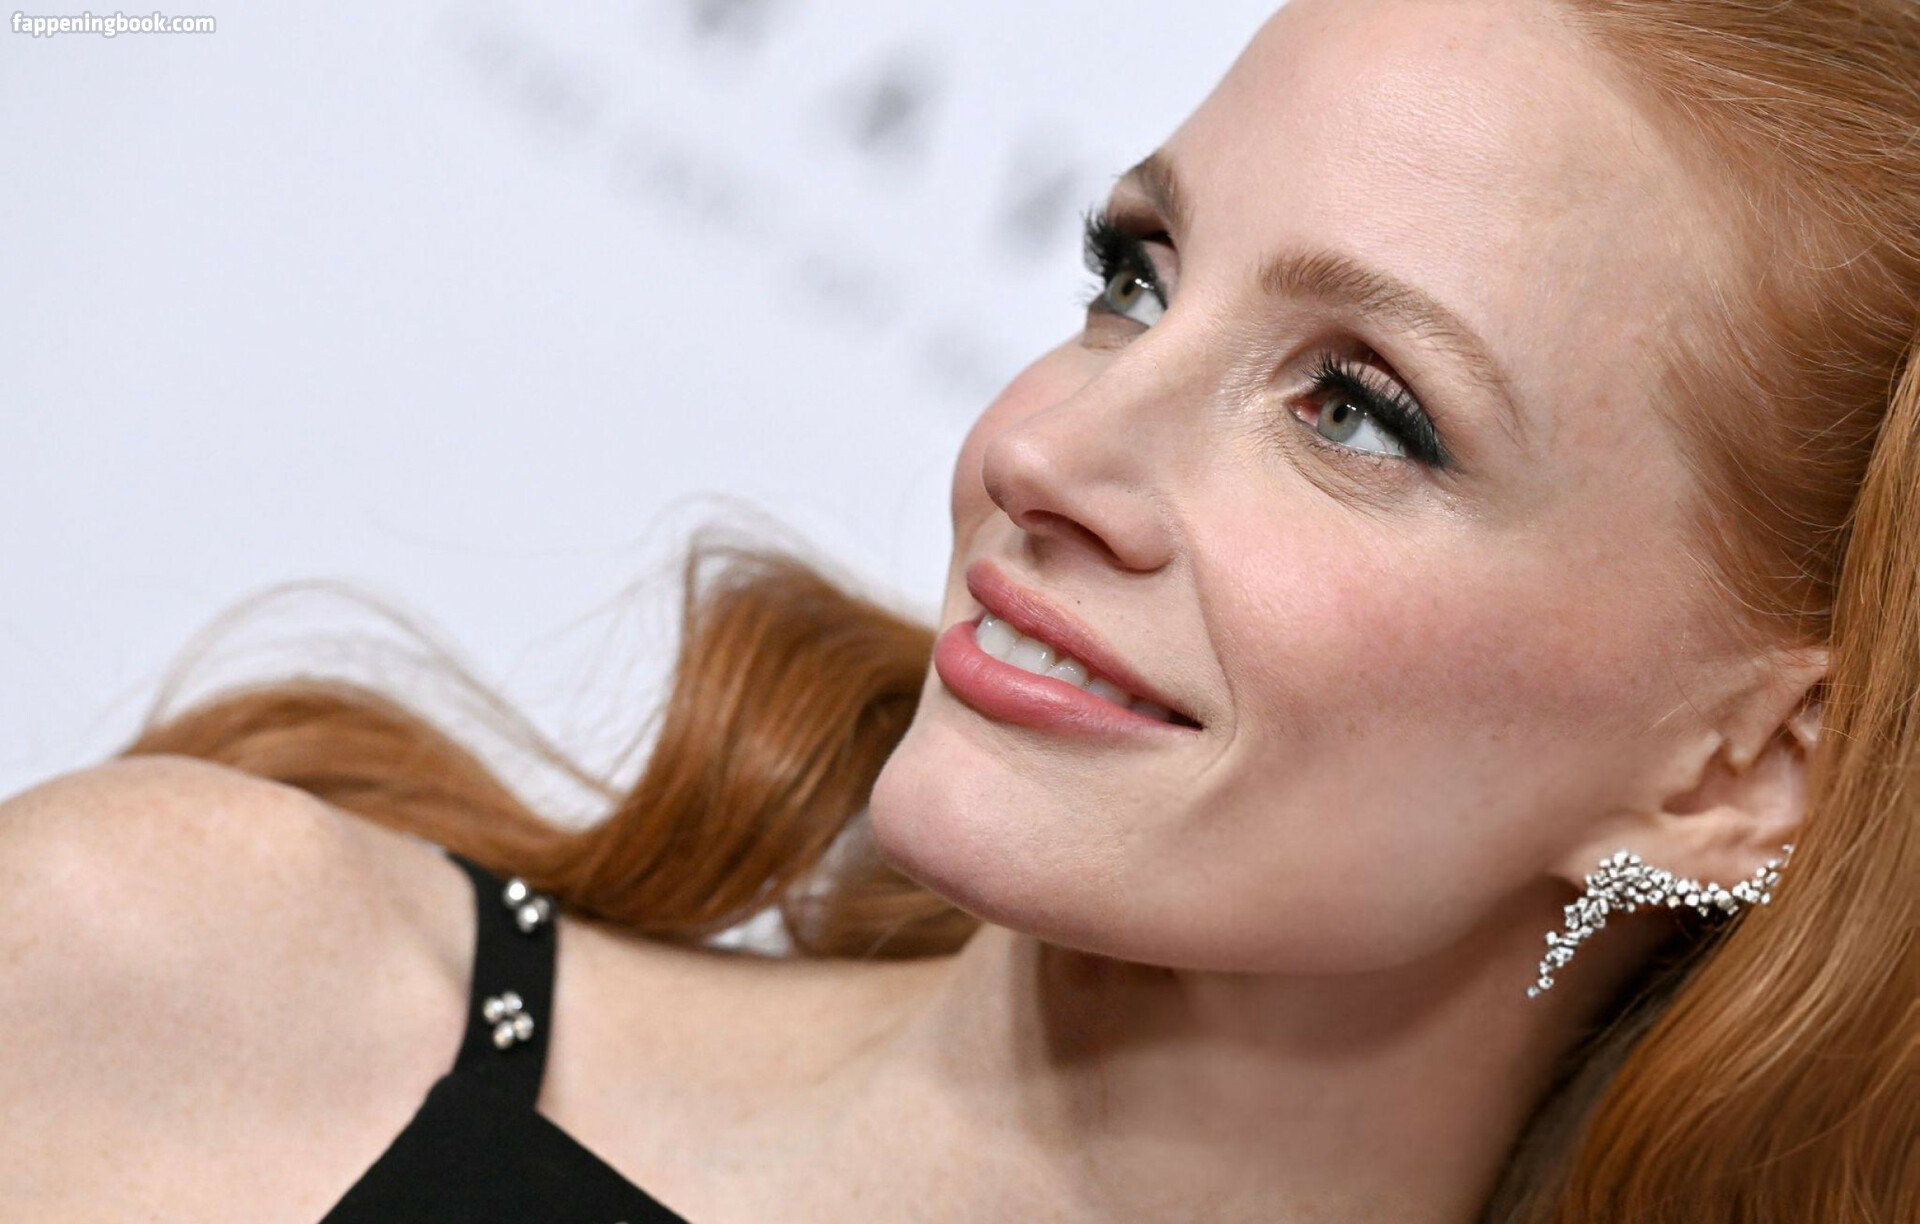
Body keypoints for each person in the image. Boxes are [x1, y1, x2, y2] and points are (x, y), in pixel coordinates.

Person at [6, 1, 1915, 1220]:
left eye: (1356, 411)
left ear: (1744, 771)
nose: (1048, 448)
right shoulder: (193, 1005)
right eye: (1136, 279)